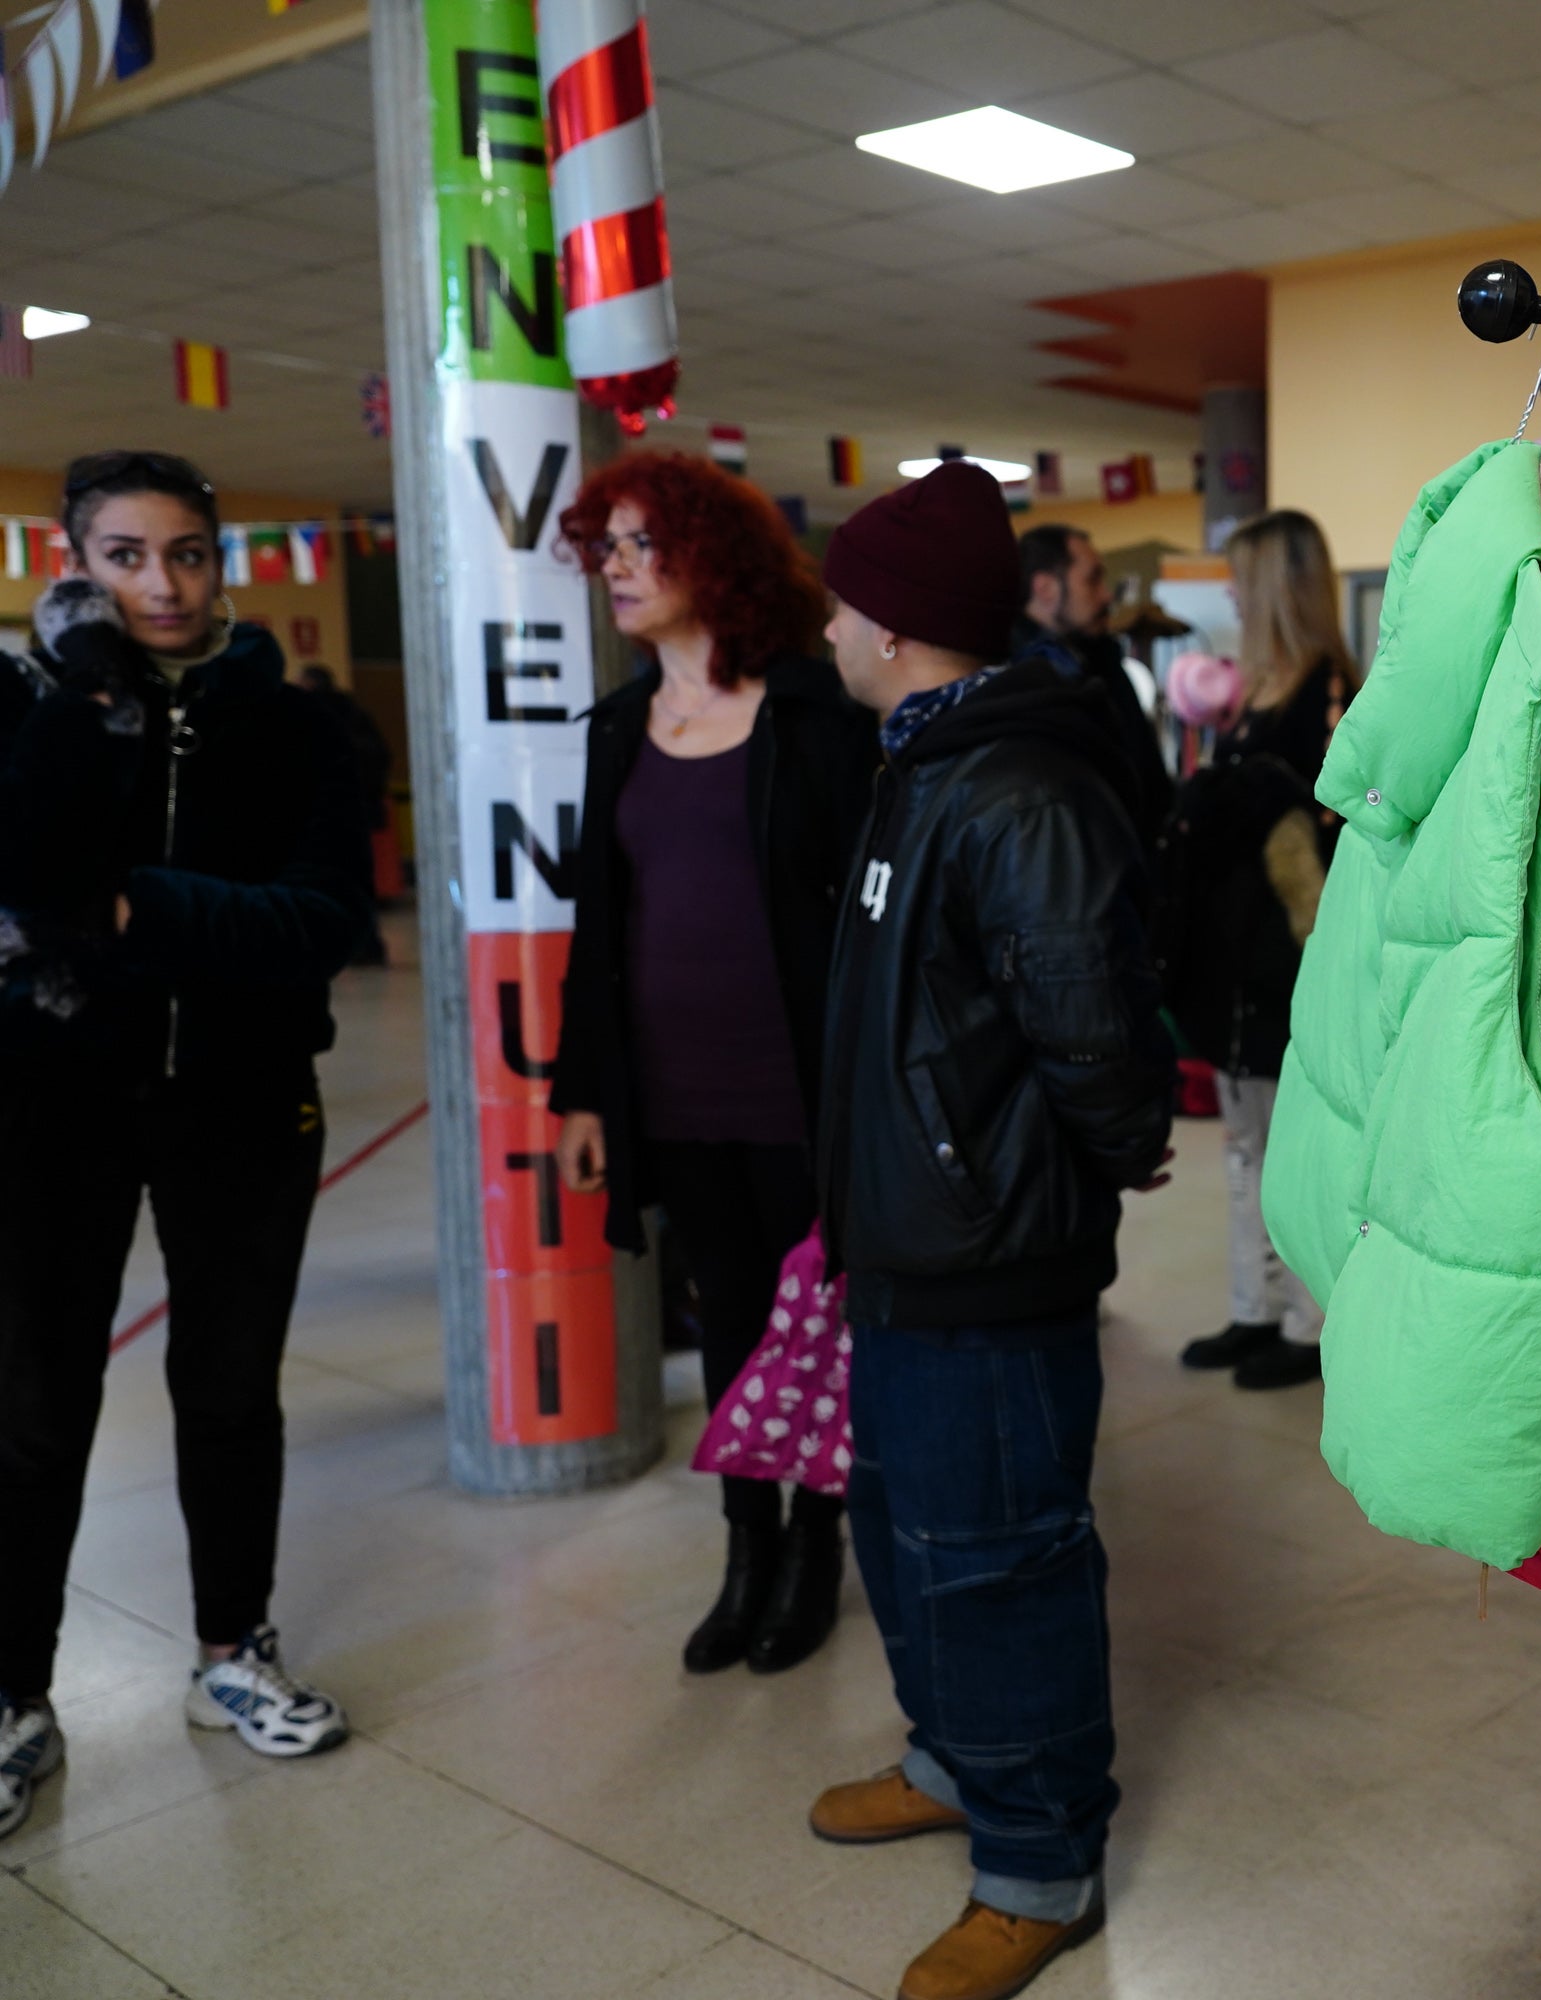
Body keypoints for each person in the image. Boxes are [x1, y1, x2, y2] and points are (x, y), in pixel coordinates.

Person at [802, 462, 1174, 2000]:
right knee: (904, 1530)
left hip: (986, 1253)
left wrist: (1102, 1157)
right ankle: (957, 1760)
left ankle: (1038, 1860)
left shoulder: (1014, 784)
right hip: (908, 1244)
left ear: (891, 626)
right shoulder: (924, 760)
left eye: (840, 602)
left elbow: (1090, 1026)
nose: (824, 624)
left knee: (1000, 1555)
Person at [0, 451, 373, 1840]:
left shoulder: (292, 725)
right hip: (51, 1102)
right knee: (35, 1409)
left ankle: (234, 1654)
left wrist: (136, 915)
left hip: (241, 1098)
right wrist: (87, 697)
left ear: (225, 561)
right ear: (77, 560)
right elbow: (30, 885)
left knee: (227, 1389)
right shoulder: (21, 701)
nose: (162, 584)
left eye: (189, 555)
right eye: (126, 555)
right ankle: (16, 1696)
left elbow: (324, 918)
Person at [548, 452, 874, 1678]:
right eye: (608, 547)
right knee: (729, 1318)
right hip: (674, 1087)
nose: (616, 568)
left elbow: (860, 915)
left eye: (641, 545)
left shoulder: (812, 714)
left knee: (814, 1327)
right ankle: (747, 1548)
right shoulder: (623, 725)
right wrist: (580, 1087)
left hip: (798, 1082)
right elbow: (598, 922)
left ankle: (816, 1551)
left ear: (712, 560)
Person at [1169, 509, 1357, 1392]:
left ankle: (1308, 1323)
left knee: (1294, 1152)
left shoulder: (1329, 691)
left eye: (1242, 578)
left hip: (1297, 961)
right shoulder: (1251, 697)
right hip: (1236, 960)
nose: (1231, 596)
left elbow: (1343, 828)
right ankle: (1255, 1307)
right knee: (1244, 1147)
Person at [1015, 523, 1168, 831]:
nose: (1107, 595)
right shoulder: (1014, 683)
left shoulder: (1099, 659)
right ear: (1045, 588)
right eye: (1093, 579)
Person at [295, 665, 392, 965]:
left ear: (309, 684)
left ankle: (329, 945)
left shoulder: (307, 715)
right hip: (362, 812)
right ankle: (367, 944)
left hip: (318, 814)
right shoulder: (356, 715)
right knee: (358, 879)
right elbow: (381, 757)